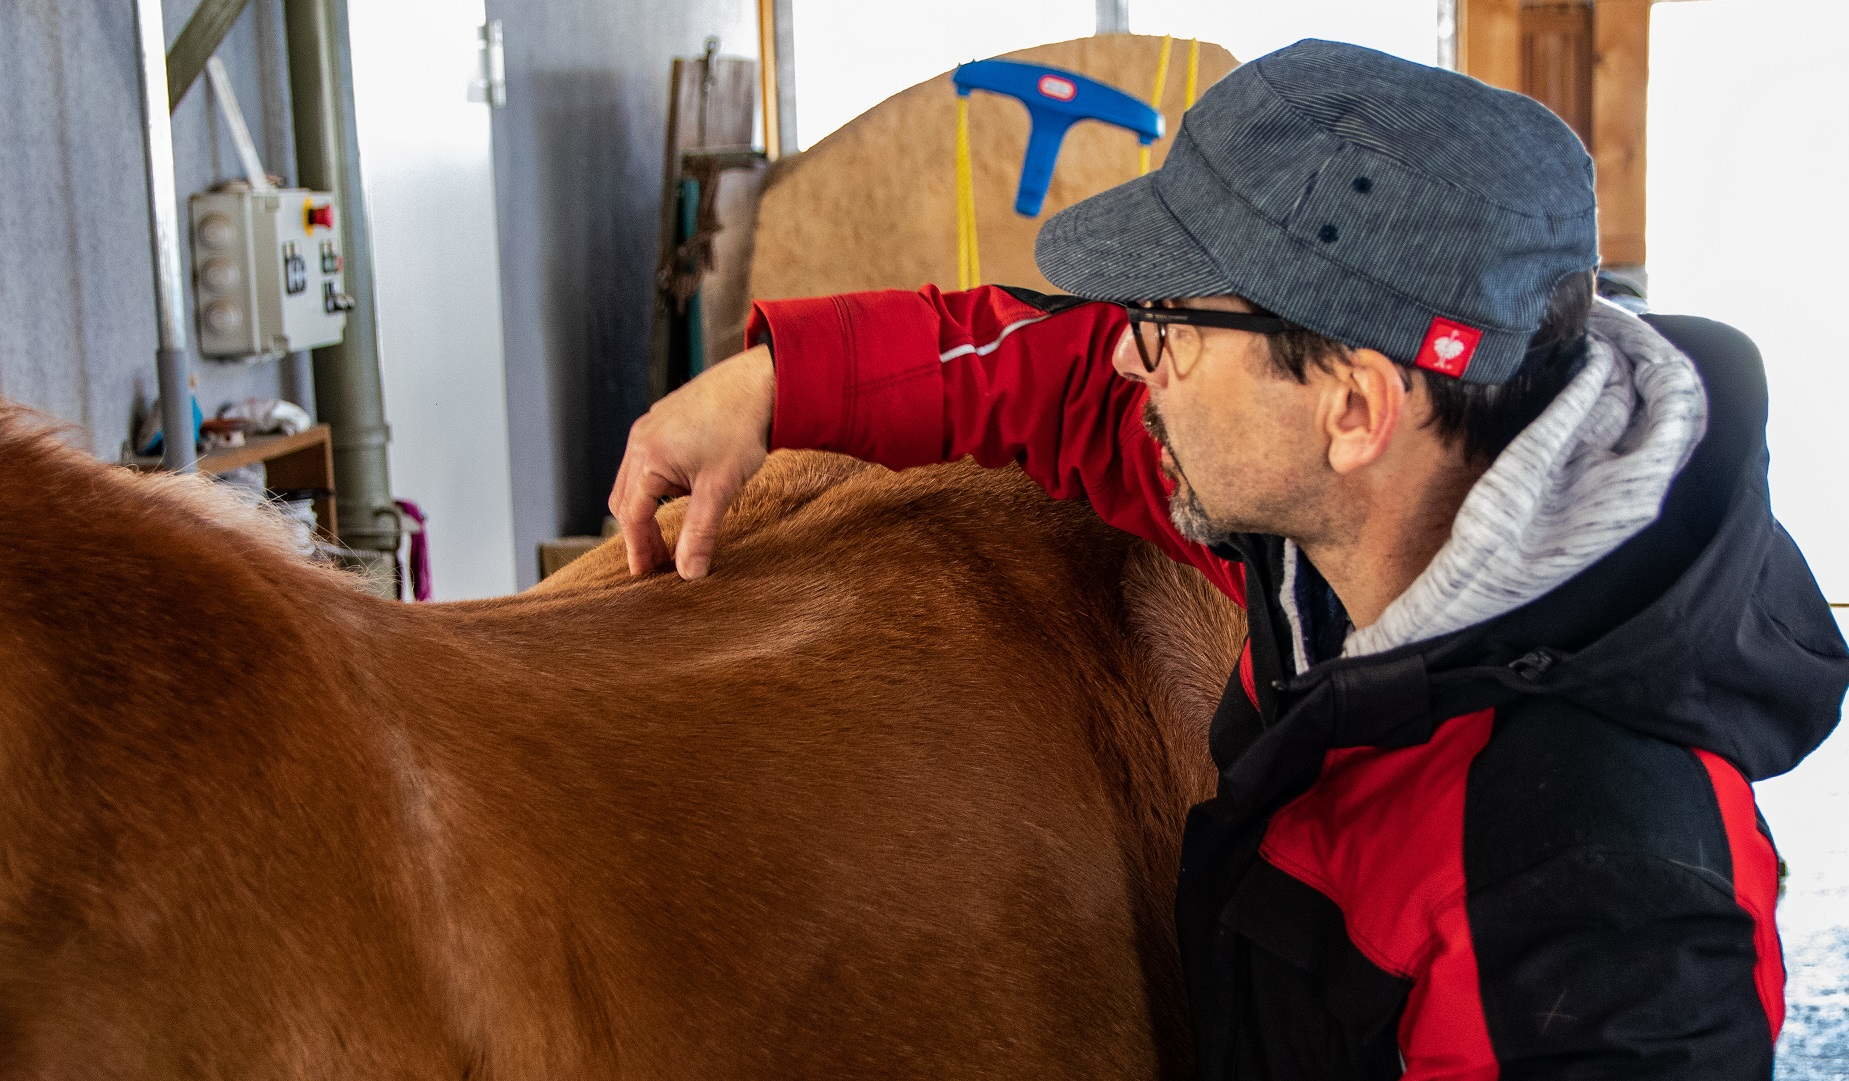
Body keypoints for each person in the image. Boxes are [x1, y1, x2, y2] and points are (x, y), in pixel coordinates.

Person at [609, 39, 1848, 1078]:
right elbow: (1069, 388)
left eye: (1169, 321)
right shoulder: (1357, 509)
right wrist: (774, 382)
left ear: (1354, 409)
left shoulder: (1593, 908)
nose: (1131, 356)